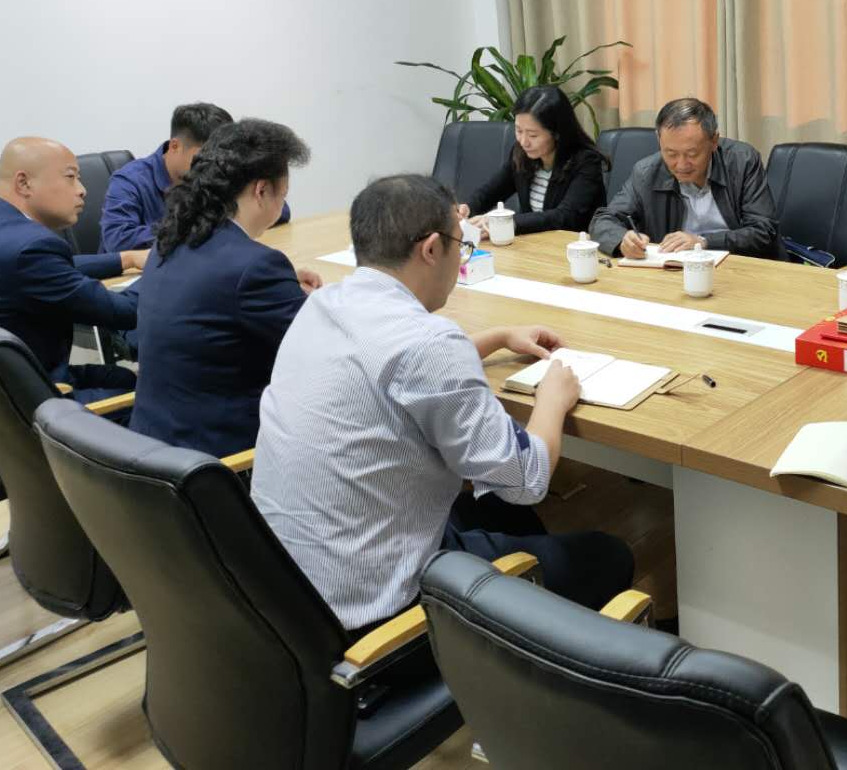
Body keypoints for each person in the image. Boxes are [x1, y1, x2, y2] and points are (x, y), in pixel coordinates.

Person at [250, 174, 633, 636]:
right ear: (432, 249)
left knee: (501, 514)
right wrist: (552, 400)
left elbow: (390, 366)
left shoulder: (323, 304)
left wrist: (496, 337)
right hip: (379, 614)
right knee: (608, 555)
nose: (460, 255)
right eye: (461, 244)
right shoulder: (429, 344)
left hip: (286, 590)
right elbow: (527, 480)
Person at [128, 120, 320, 458]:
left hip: (153, 447)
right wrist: (319, 301)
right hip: (223, 463)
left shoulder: (171, 241)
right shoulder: (255, 267)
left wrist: (283, 286)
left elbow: (219, 291)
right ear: (261, 191)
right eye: (284, 194)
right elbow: (322, 349)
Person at [0, 138, 146, 404]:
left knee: (126, 377)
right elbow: (124, 313)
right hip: (36, 400)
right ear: (24, 183)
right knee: (157, 397)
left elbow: (54, 266)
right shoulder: (32, 249)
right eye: (70, 177)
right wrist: (167, 269)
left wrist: (126, 259)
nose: (82, 190)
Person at [589, 97, 783, 260]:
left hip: (740, 265)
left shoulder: (742, 161)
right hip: (676, 271)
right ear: (659, 139)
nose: (681, 165)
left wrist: (703, 242)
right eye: (671, 154)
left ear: (714, 141)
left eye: (692, 154)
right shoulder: (646, 173)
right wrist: (622, 239)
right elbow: (603, 220)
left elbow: (763, 231)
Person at [100, 102, 291, 252]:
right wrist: (196, 226)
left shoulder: (217, 171)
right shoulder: (129, 180)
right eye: (205, 155)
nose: (214, 164)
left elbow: (279, 209)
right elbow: (118, 239)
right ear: (175, 146)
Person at [459, 85, 608, 237]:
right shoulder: (521, 153)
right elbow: (493, 190)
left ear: (557, 133)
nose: (524, 141)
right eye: (518, 130)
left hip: (573, 245)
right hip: (532, 244)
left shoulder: (586, 162)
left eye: (533, 135)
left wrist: (507, 222)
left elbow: (564, 217)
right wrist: (468, 208)